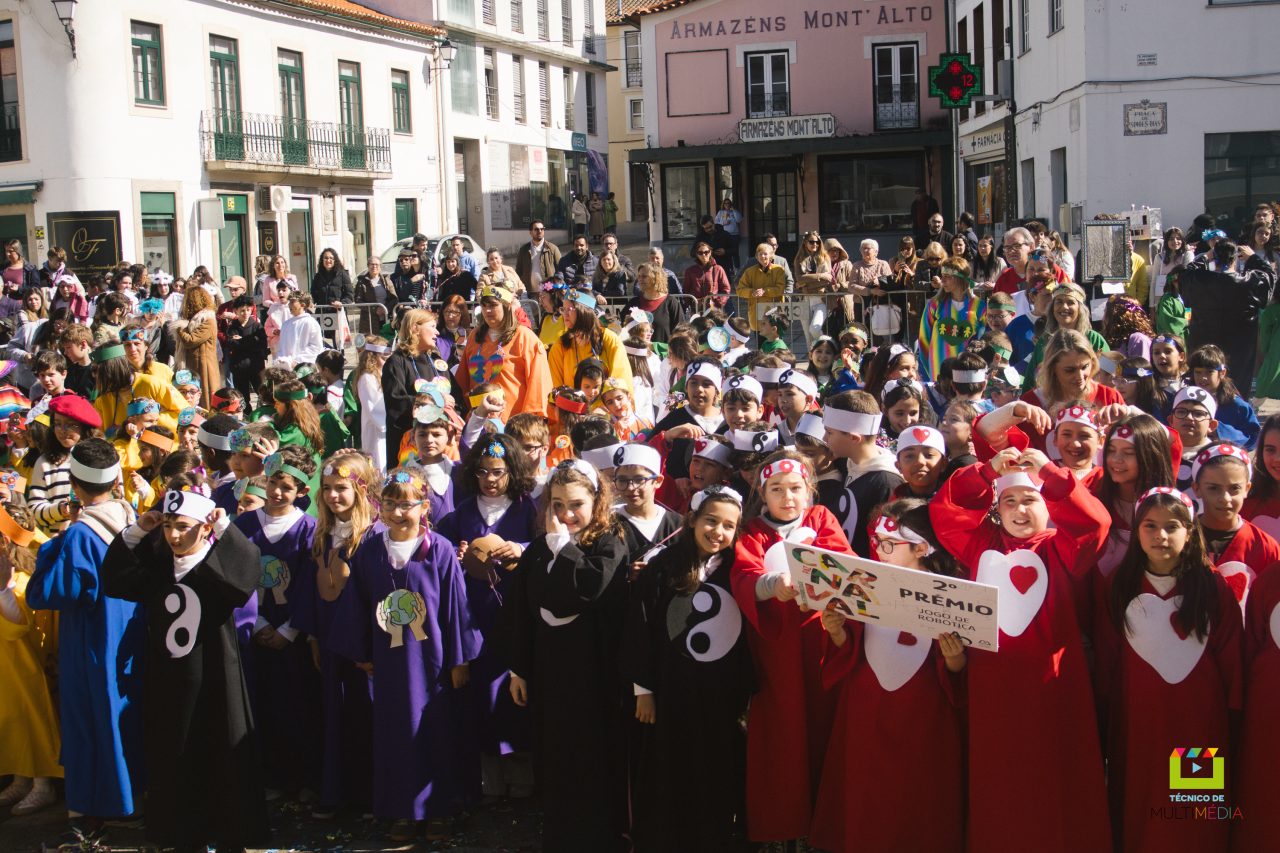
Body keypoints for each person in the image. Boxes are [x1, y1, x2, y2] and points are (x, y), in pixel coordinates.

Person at [930, 448, 1112, 853]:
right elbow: (946, 510)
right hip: (994, 689)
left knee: (1055, 777)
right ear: (996, 510)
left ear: (1049, 506)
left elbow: (1095, 524)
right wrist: (986, 472)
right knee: (1000, 781)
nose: (1019, 509)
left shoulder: (1062, 548)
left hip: (1052, 688)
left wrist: (1051, 474)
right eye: (1009, 501)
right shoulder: (981, 544)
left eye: (1030, 499)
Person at [101, 474, 270, 851]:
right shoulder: (159, 566)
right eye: (168, 526)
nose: (174, 535)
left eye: (182, 527)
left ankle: (229, 836)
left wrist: (223, 527)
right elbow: (116, 580)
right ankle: (183, 835)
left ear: (203, 527)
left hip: (215, 675)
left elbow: (246, 573)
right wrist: (138, 531)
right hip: (169, 678)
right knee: (174, 754)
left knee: (221, 752)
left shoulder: (214, 564)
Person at [331, 467, 480, 843]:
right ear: (379, 508)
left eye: (407, 505)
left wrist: (459, 660)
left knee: (436, 731)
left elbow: (456, 608)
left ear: (424, 507)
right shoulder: (369, 552)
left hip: (433, 664)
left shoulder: (439, 551)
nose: (398, 513)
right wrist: (362, 651)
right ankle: (401, 810)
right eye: (389, 505)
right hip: (389, 665)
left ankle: (439, 809)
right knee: (393, 734)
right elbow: (356, 604)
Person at [811, 499, 966, 853]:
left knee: (917, 795)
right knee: (864, 791)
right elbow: (848, 646)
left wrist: (955, 658)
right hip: (866, 705)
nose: (880, 551)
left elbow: (959, 672)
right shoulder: (864, 581)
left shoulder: (951, 593)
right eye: (877, 542)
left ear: (921, 548)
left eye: (890, 544)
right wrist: (836, 630)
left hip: (923, 713)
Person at [1094, 486, 1240, 853]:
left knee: (1193, 812)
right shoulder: (1119, 586)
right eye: (1150, 526)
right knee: (1139, 806)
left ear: (1190, 532)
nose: (1161, 535)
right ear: (1137, 531)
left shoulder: (1213, 588)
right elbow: (1108, 663)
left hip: (1198, 728)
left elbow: (1230, 661)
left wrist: (1233, 719)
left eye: (1172, 526)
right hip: (1136, 726)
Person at [502, 460, 630, 851]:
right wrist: (519, 669)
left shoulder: (610, 543)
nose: (566, 514)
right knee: (556, 754)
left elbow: (590, 589)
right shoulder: (539, 548)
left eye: (576, 504)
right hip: (550, 672)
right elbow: (521, 611)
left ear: (596, 502)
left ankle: (600, 837)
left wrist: (564, 548)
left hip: (594, 673)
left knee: (593, 756)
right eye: (557, 504)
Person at [624, 483, 753, 853]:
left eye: (728, 526)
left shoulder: (739, 570)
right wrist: (643, 689)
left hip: (719, 693)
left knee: (715, 767)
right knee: (668, 766)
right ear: (692, 519)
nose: (718, 531)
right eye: (711, 520)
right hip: (670, 689)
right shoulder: (662, 567)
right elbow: (640, 629)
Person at [728, 450, 849, 845]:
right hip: (775, 649)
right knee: (781, 734)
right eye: (777, 489)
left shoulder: (821, 519)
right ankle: (782, 826)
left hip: (820, 640)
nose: (788, 497)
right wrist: (772, 586)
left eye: (796, 488)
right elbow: (744, 575)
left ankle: (823, 823)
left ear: (809, 489)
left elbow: (844, 562)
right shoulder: (753, 530)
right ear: (763, 493)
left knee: (822, 725)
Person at [26, 438, 144, 823]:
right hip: (129, 632)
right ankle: (134, 793)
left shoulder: (80, 535)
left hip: (93, 637)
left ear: (74, 484)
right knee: (127, 711)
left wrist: (55, 544)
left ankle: (101, 802)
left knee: (92, 716)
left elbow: (52, 592)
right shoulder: (130, 516)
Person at [435, 435, 538, 801]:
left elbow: (546, 546)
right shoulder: (462, 513)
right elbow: (441, 550)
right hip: (474, 617)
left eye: (498, 472)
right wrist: (457, 552)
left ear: (513, 471)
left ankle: (522, 775)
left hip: (516, 615)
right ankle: (488, 778)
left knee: (515, 693)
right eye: (482, 472)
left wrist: (522, 549)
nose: (490, 479)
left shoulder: (528, 510)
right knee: (481, 694)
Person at [1181, 239, 1276, 395]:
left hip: (1205, 344)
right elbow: (1269, 276)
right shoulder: (1249, 282)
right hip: (1239, 350)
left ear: (1214, 257)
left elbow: (1186, 273)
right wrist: (1253, 258)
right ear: (1235, 259)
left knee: (1204, 387)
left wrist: (1205, 257)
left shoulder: (1199, 280)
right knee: (1235, 390)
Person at [453, 285, 552, 424]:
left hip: (513, 423)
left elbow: (539, 384)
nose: (487, 310)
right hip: (478, 421)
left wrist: (529, 422)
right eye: (484, 306)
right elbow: (462, 381)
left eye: (493, 305)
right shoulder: (475, 336)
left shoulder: (525, 337)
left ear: (507, 306)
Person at [381, 308, 456, 461]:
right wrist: (435, 400)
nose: (437, 333)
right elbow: (396, 401)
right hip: (411, 446)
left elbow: (456, 395)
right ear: (415, 328)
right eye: (432, 326)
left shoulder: (436, 360)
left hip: (442, 444)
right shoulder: (397, 362)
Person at [547, 289, 633, 394]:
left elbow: (621, 381)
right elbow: (556, 388)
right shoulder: (561, 345)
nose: (565, 314)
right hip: (573, 403)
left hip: (606, 403)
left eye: (569, 309)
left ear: (584, 311)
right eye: (563, 309)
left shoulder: (609, 339)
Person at [917, 257, 986, 382]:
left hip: (967, 370)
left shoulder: (980, 307)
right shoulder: (935, 304)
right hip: (938, 368)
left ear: (960, 278)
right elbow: (924, 338)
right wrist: (929, 368)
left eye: (947, 276)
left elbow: (982, 341)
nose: (942, 280)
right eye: (942, 276)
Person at [626, 263, 683, 344]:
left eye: (644, 276)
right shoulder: (633, 303)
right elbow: (623, 330)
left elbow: (680, 333)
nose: (640, 279)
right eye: (639, 276)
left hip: (664, 351)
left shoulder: (671, 303)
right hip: (637, 351)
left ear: (656, 278)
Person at [737, 243, 788, 333]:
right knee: (760, 340)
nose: (762, 256)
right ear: (757, 256)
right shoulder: (749, 272)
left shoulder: (779, 270)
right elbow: (740, 290)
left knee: (775, 339)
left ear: (771, 256)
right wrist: (752, 292)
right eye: (760, 254)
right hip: (756, 314)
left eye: (765, 254)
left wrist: (765, 291)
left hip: (775, 312)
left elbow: (780, 289)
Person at [274, 292, 326, 370]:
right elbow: (282, 347)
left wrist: (298, 361)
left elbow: (316, 346)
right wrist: (281, 359)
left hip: (304, 368)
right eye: (289, 302)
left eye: (292, 302)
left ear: (302, 305)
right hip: (287, 368)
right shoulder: (286, 324)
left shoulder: (310, 322)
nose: (289, 305)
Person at [354, 256, 400, 334]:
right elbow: (358, 300)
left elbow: (394, 298)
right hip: (369, 320)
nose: (374, 266)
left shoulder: (386, 280)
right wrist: (375, 309)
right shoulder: (362, 281)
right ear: (368, 266)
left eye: (377, 264)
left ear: (380, 267)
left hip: (386, 318)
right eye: (372, 264)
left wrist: (385, 309)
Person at [682, 241, 731, 309]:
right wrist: (691, 304)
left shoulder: (718, 269)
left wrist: (718, 303)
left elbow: (726, 289)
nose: (704, 255)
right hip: (696, 308)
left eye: (706, 252)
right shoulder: (690, 271)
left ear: (710, 252)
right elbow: (686, 291)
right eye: (700, 253)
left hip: (714, 308)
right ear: (697, 254)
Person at [515, 220, 561, 292]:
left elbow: (560, 270)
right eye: (536, 229)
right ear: (530, 232)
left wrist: (556, 287)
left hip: (548, 293)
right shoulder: (524, 250)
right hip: (529, 292)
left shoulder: (553, 249)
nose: (539, 231)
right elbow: (518, 271)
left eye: (542, 229)